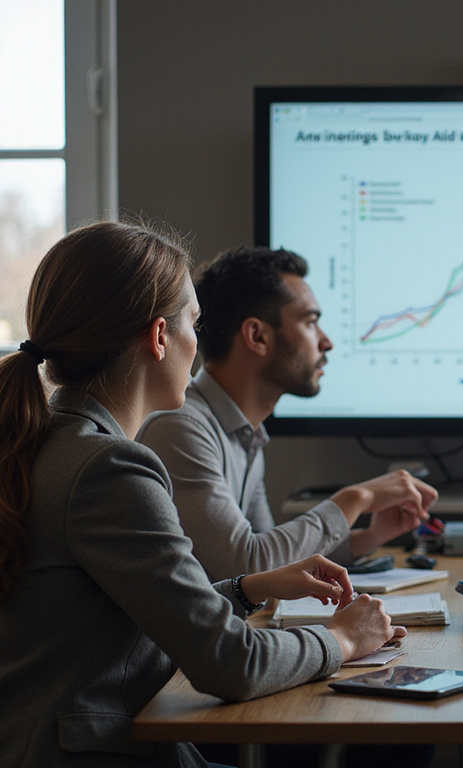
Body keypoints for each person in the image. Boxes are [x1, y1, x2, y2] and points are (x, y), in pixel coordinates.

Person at [0, 221, 404, 767]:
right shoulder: (110, 468)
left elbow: (124, 610)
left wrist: (247, 587)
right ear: (159, 337)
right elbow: (229, 664)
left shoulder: (54, 438)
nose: (199, 342)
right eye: (194, 322)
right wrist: (344, 640)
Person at [137, 246, 437, 583]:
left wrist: (369, 538)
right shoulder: (181, 428)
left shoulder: (243, 432)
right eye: (310, 322)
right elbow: (243, 566)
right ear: (257, 336)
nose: (326, 343)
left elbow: (272, 556)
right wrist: (356, 499)